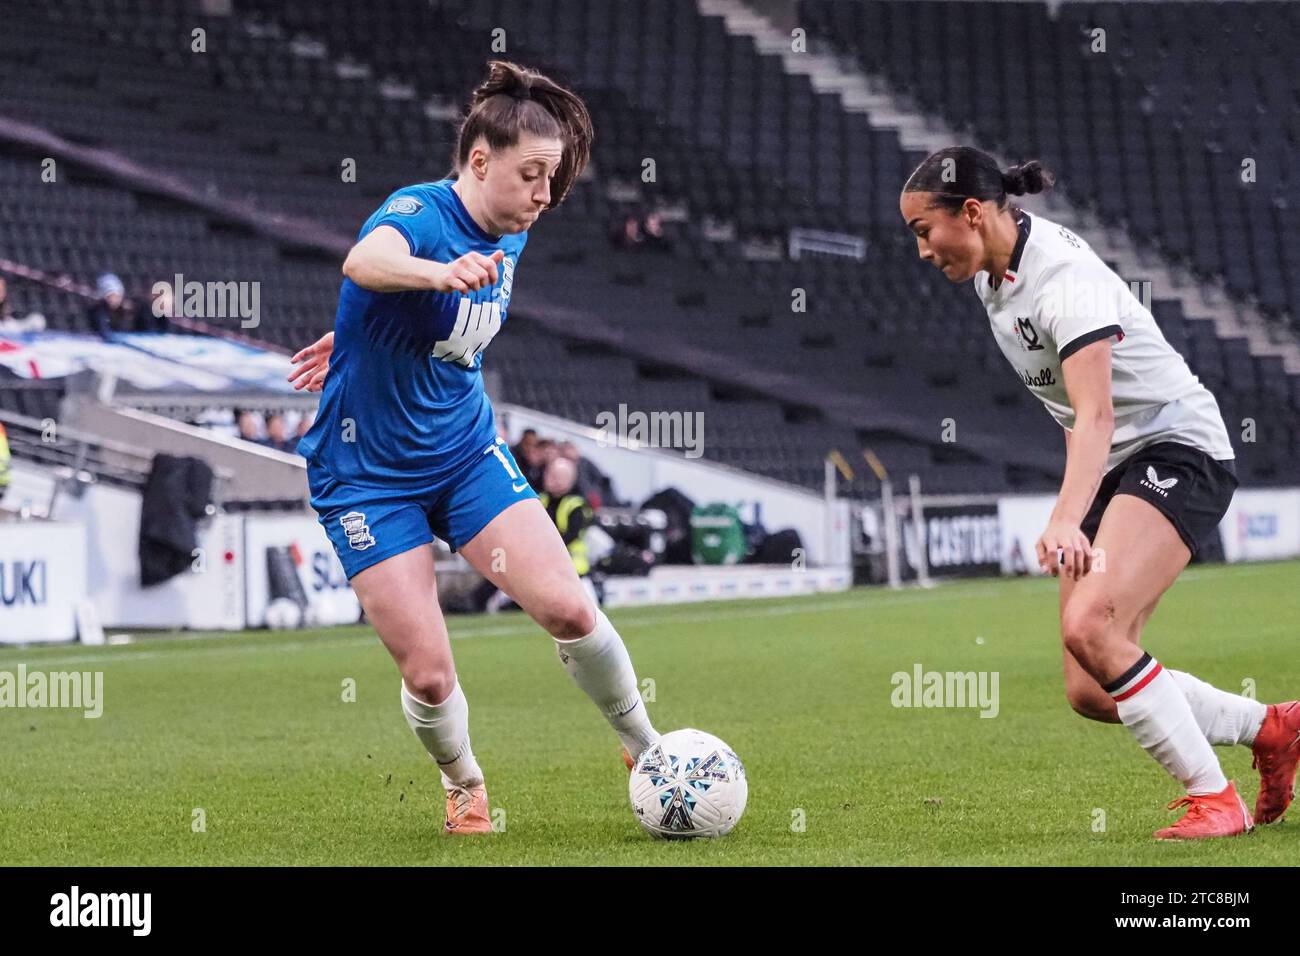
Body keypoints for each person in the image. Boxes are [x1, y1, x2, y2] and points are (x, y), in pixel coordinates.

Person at [287, 60, 659, 835]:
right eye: (530, 176)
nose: (544, 196)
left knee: (568, 606)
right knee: (427, 672)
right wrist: (430, 275)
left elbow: (397, 310)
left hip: (462, 454)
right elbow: (365, 260)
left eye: (551, 180)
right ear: (480, 161)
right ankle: (463, 782)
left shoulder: (512, 229)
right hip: (366, 478)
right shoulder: (419, 213)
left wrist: (359, 333)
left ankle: (647, 750)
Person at [900, 146, 1299, 840]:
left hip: (1180, 449)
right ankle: (1270, 729)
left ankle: (1216, 799)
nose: (923, 251)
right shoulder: (991, 281)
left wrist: (1063, 518)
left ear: (970, 213)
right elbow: (1071, 415)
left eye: (922, 230)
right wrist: (1079, 508)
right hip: (1118, 463)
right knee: (1090, 686)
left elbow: (1100, 413)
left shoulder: (1063, 278)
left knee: (1090, 628)